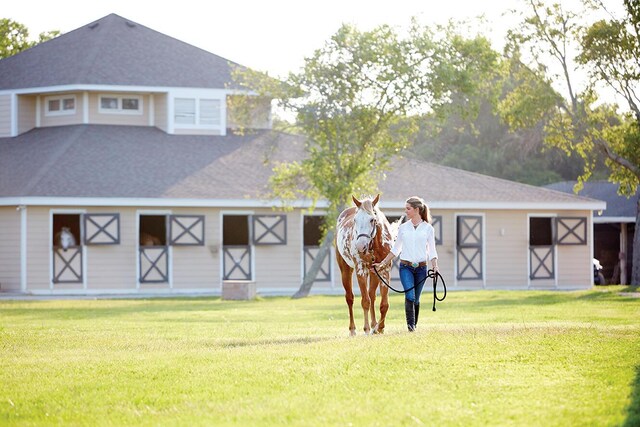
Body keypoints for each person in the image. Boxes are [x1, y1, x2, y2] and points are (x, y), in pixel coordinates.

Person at [372, 196, 439, 332]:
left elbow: (432, 250)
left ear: (416, 209)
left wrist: (435, 266)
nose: (406, 211)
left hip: (421, 268)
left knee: (416, 299)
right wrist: (382, 264)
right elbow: (395, 250)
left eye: (408, 209)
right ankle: (411, 327)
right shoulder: (403, 228)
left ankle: (413, 325)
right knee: (410, 295)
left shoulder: (428, 229)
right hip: (406, 268)